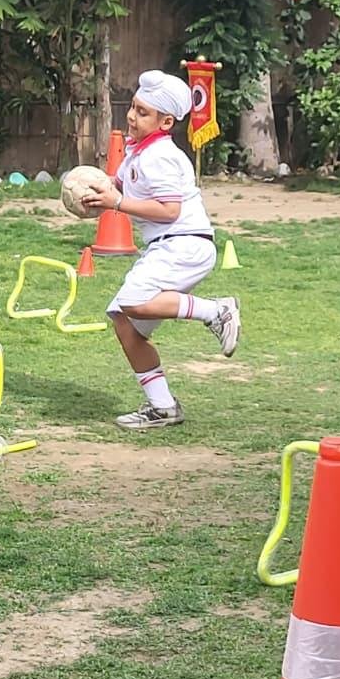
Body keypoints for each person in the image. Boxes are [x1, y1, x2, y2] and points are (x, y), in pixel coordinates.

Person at [82, 70, 241, 428]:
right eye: (134, 108)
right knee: (125, 323)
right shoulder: (139, 152)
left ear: (166, 121)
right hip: (166, 248)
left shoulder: (163, 157)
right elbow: (117, 185)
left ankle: (217, 311)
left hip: (185, 245)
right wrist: (91, 191)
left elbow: (170, 210)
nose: (132, 116)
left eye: (143, 112)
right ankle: (163, 407)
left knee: (132, 301)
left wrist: (117, 203)